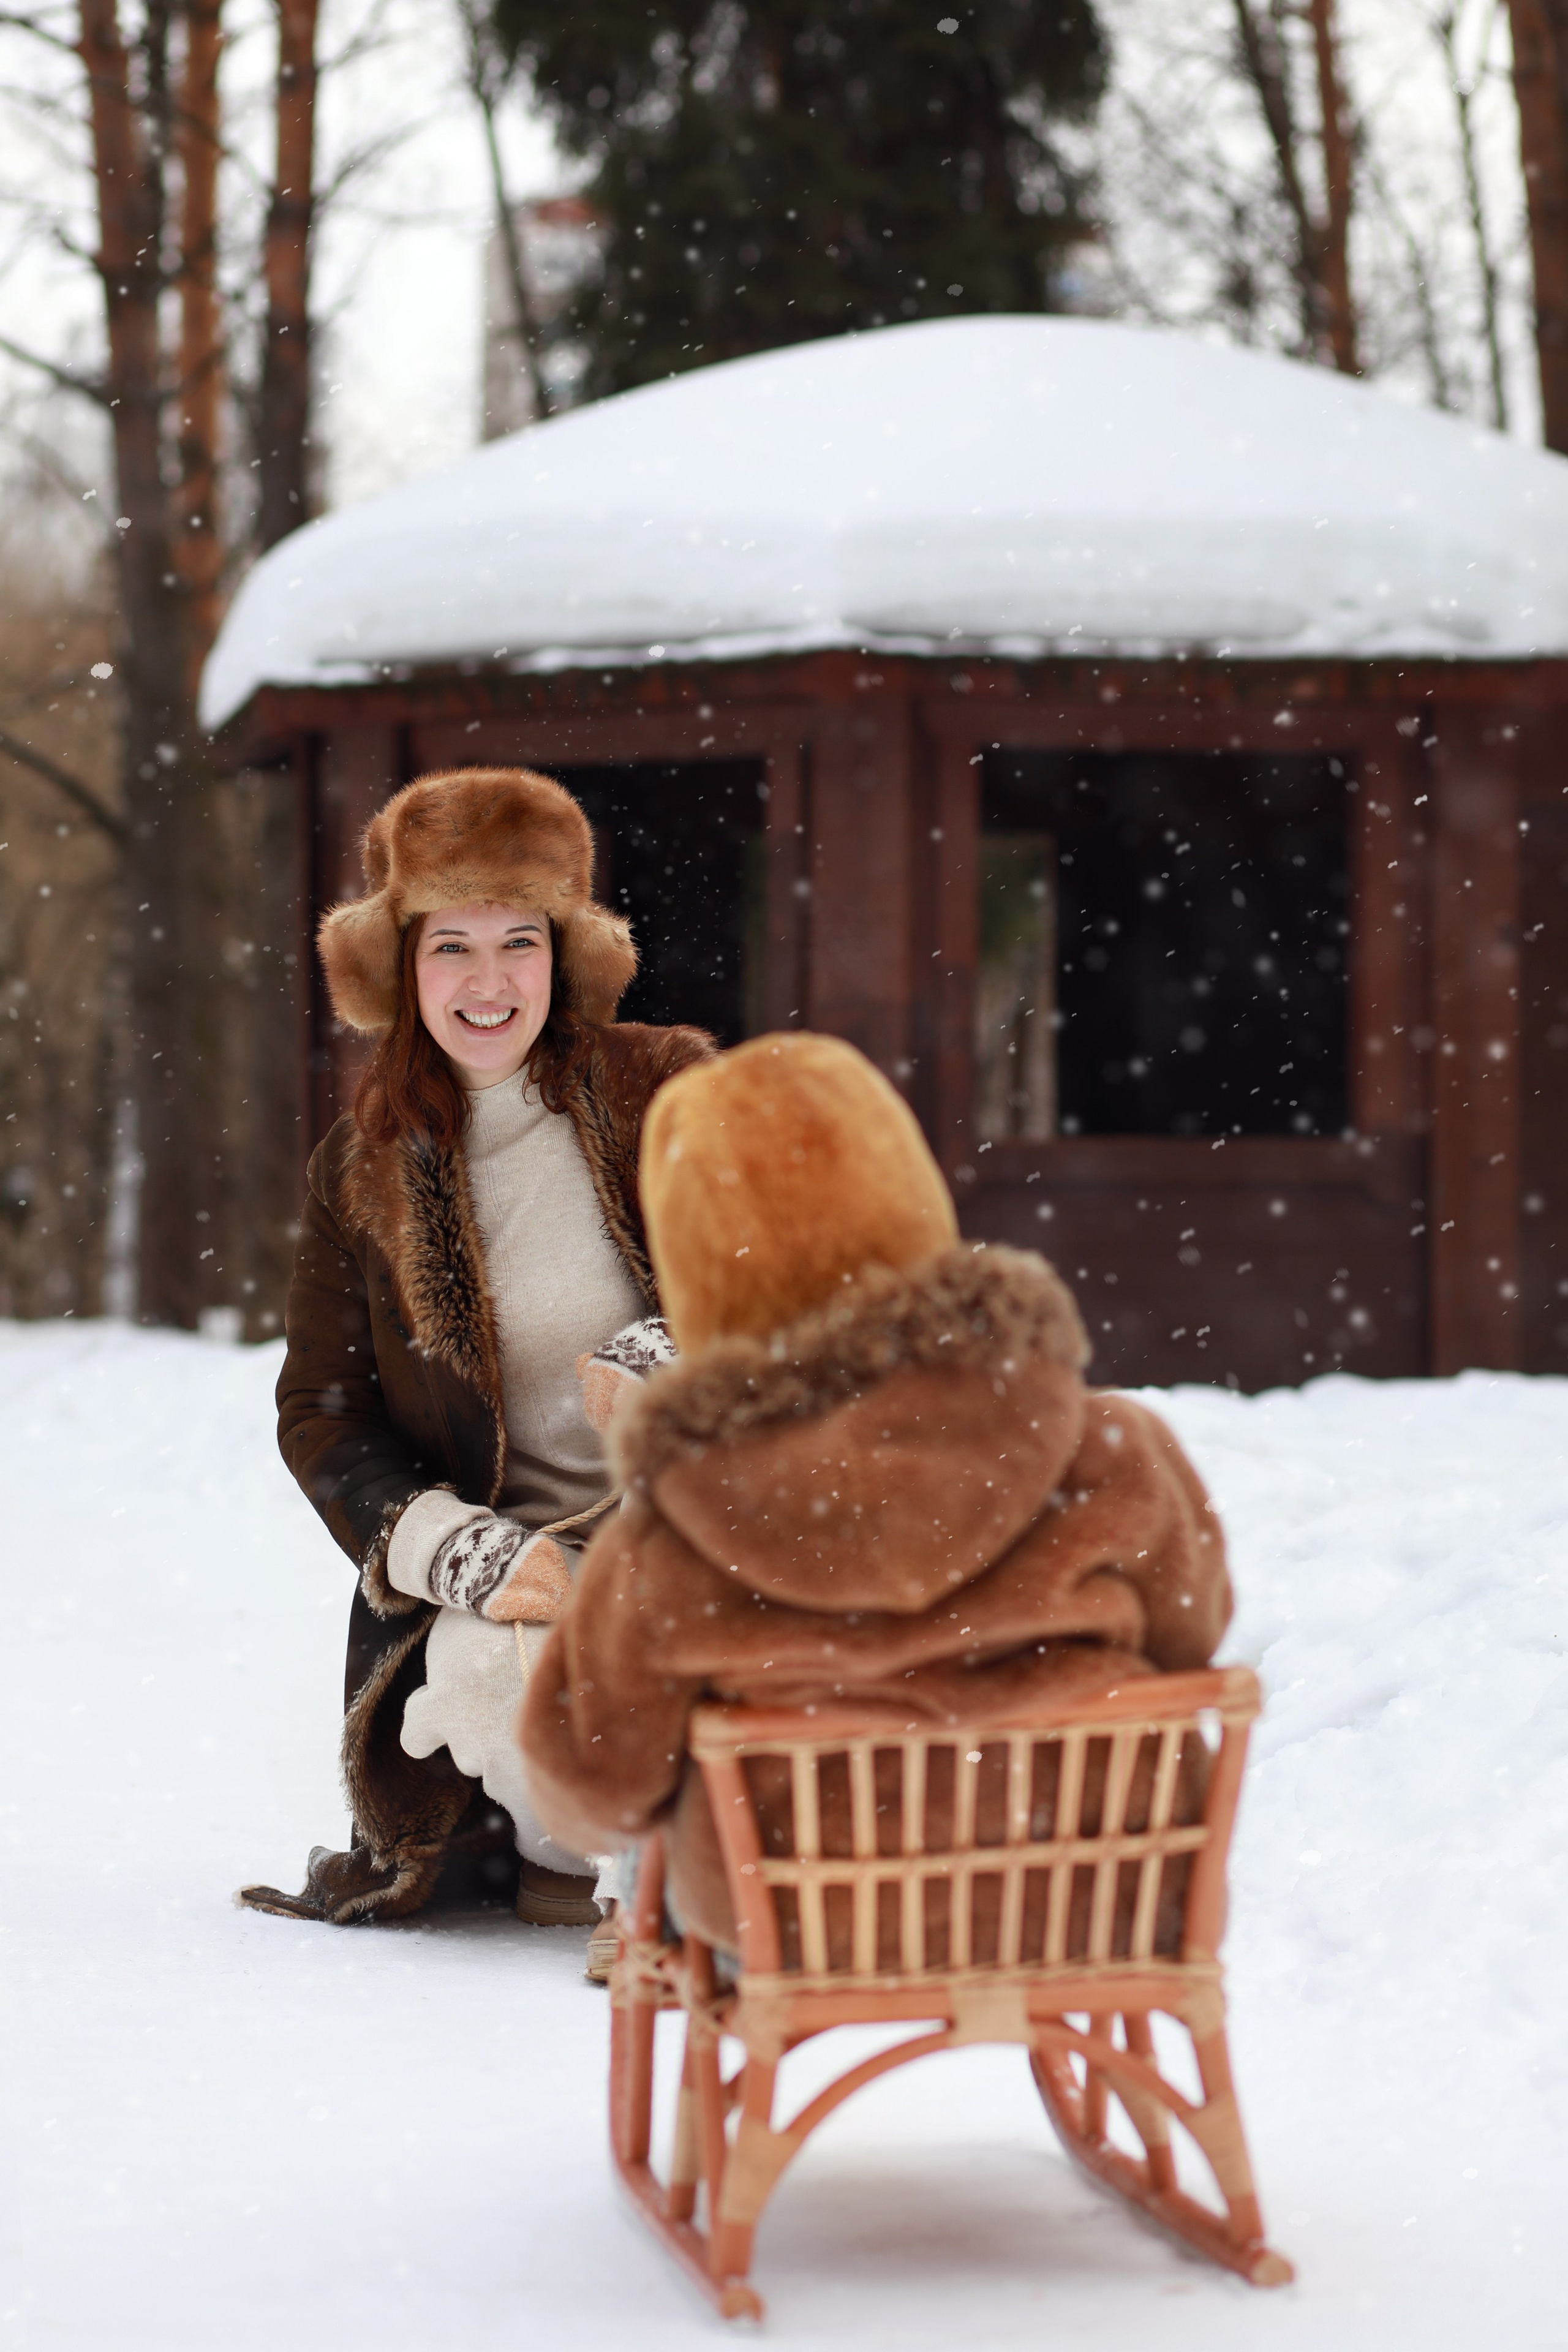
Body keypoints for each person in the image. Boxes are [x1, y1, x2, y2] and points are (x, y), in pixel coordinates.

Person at [519, 1033, 1232, 1958]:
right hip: (1091, 1885)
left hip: (799, 1918)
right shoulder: (1106, 1448)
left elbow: (591, 1781)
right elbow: (1190, 1632)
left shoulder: (679, 1526)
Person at [239, 766, 712, 1944]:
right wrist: (453, 1547)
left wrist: (678, 1357)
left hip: (690, 1525)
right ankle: (611, 1854)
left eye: (521, 941)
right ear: (399, 966)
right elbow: (323, 1409)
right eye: (451, 946)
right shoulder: (362, 1167)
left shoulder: (668, 1090)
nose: (489, 983)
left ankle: (667, 1887)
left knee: (700, 1647)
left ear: (567, 953)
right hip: (525, 1565)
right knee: (488, 1678)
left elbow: (794, 1275)